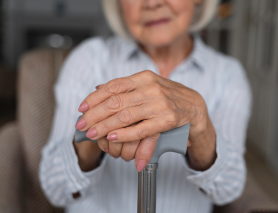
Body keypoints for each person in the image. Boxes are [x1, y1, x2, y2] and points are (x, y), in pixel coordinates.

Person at [39, 0, 252, 212]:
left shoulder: (228, 75)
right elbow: (56, 189)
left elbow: (227, 190)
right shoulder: (90, 59)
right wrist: (98, 131)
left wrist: (201, 130)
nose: (152, 3)